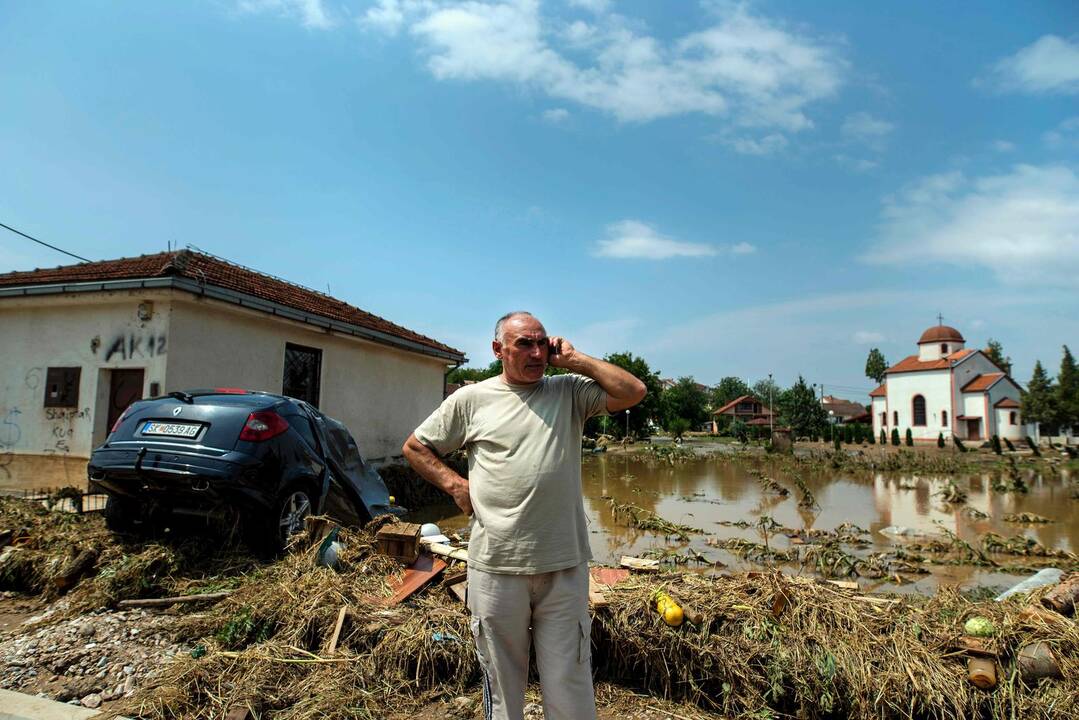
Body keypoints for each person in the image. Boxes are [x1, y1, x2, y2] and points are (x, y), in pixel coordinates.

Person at [402, 311, 646, 720]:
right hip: (497, 566)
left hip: (563, 564)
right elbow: (416, 447)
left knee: (570, 679)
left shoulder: (568, 391)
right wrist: (457, 486)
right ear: (498, 350)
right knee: (501, 684)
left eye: (541, 343)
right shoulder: (471, 399)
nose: (536, 352)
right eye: (523, 344)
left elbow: (633, 391)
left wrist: (577, 361)